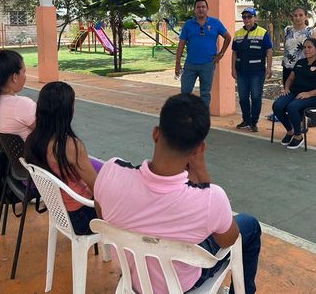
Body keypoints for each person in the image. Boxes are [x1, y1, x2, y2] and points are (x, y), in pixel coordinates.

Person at [94, 93, 261, 294]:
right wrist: (202, 175)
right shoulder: (211, 199)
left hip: (133, 279)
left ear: (156, 134)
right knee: (250, 225)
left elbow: (103, 216)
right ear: (199, 149)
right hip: (181, 284)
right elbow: (228, 240)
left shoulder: (111, 171)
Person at [25, 82, 99, 235]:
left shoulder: (32, 140)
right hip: (82, 216)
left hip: (59, 212)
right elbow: (97, 187)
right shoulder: (70, 145)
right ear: (67, 110)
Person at [272, 38, 316, 149]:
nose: (306, 50)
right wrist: (286, 88)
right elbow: (290, 79)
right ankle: (290, 131)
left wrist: (309, 94)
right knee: (277, 106)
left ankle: (298, 136)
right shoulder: (300, 62)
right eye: (304, 47)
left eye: (309, 47)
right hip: (294, 93)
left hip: (312, 96)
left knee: (292, 107)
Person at [175, 0, 232, 106]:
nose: (201, 9)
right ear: (194, 10)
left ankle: (203, 115)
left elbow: (228, 37)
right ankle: (185, 115)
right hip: (190, 65)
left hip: (208, 64)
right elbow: (181, 44)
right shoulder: (188, 24)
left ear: (207, 9)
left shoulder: (216, 23)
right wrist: (177, 63)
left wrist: (221, 54)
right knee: (185, 93)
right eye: (198, 7)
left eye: (203, 7)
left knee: (205, 93)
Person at [231, 7, 273, 132]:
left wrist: (269, 68)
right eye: (244, 17)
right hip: (241, 71)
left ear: (255, 18)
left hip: (257, 71)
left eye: (249, 16)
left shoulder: (262, 33)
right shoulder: (238, 33)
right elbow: (234, 53)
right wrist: (232, 69)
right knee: (243, 97)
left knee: (255, 97)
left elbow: (269, 50)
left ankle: (254, 122)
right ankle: (246, 120)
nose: (247, 19)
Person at [0, 49, 36, 142]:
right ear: (15, 77)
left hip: (10, 152)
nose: (25, 76)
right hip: (33, 151)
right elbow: (49, 131)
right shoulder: (22, 105)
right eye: (24, 72)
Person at [281, 6, 316, 86]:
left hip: (304, 67)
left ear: (306, 16)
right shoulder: (287, 30)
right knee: (287, 90)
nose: (298, 18)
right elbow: (286, 48)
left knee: (301, 91)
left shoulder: (310, 31)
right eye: (295, 15)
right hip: (288, 67)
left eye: (301, 15)